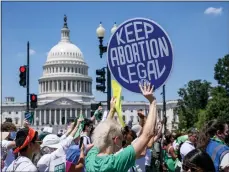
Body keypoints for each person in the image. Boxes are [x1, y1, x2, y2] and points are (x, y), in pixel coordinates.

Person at [86, 83, 158, 172]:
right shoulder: (115, 162)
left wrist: (112, 110)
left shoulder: (90, 158)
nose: (122, 143)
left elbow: (104, 131)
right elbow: (147, 134)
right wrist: (152, 102)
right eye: (121, 140)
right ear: (116, 140)